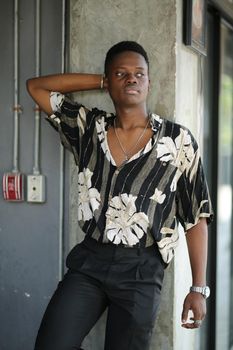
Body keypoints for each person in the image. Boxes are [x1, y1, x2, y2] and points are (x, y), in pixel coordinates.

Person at [27, 41, 213, 350]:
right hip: (90, 263)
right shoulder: (89, 129)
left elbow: (196, 218)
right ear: (109, 81)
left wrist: (198, 288)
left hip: (142, 269)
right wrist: (99, 81)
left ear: (149, 82)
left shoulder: (178, 141)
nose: (132, 79)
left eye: (140, 74)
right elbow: (37, 88)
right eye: (121, 74)